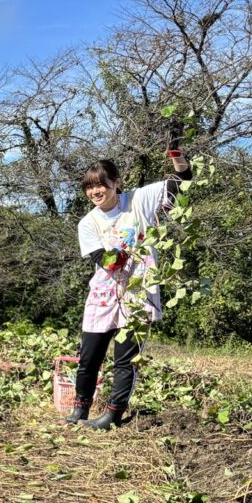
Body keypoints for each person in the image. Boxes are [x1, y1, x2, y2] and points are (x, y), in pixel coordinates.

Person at [70, 130, 193, 428]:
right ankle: (80, 410)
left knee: (125, 359)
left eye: (101, 185)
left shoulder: (139, 200)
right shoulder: (88, 223)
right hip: (103, 294)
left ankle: (112, 415)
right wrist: (123, 252)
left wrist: (176, 156)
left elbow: (183, 183)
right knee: (89, 357)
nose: (96, 192)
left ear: (116, 183)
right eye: (90, 187)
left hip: (137, 291)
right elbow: (105, 262)